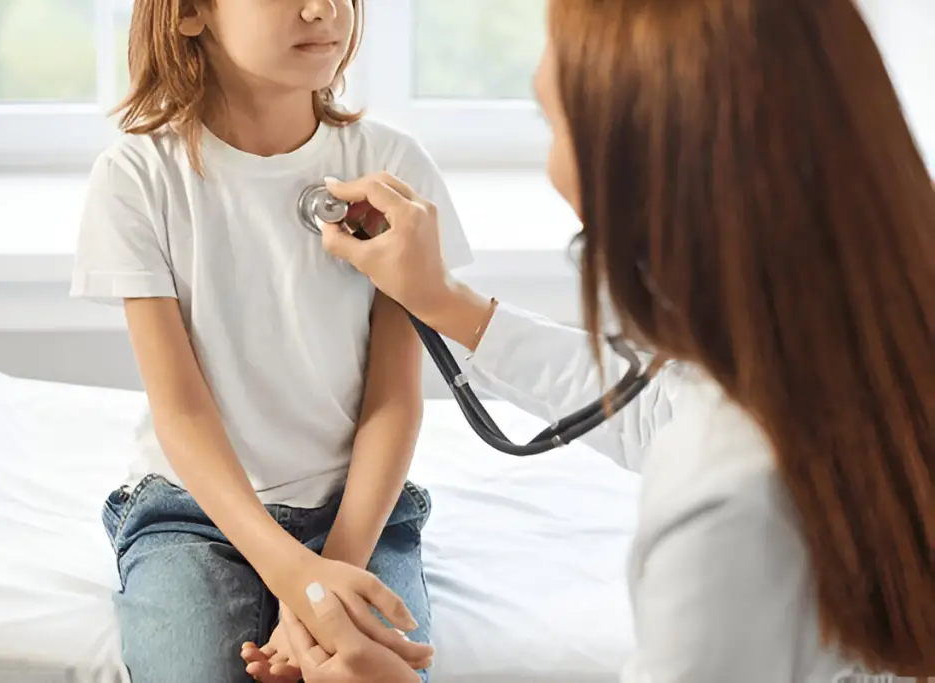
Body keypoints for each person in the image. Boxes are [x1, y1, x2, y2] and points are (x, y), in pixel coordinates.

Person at [259, 0, 935, 681]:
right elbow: (658, 409)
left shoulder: (724, 501)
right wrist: (441, 300)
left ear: (651, 168)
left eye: (551, 124)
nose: (552, 164)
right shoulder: (851, 352)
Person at [69, 1, 472, 682]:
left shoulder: (393, 165)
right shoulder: (137, 176)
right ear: (192, 13)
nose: (324, 10)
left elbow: (395, 402)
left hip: (357, 512)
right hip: (194, 513)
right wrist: (299, 581)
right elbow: (182, 412)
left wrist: (330, 573)